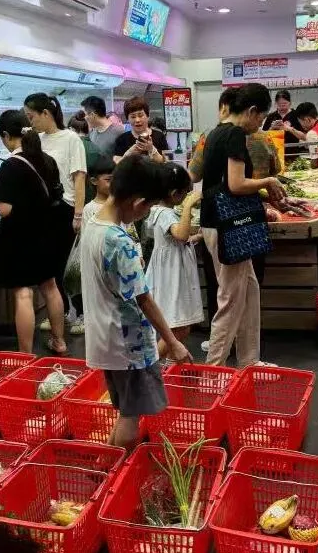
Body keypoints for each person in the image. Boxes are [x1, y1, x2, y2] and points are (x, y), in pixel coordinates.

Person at [80, 155, 192, 450]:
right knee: (132, 415)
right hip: (128, 343)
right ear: (138, 201)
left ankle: (107, 464)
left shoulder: (93, 224)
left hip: (105, 338)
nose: (146, 213)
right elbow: (143, 299)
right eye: (148, 207)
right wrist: (172, 341)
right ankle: (120, 467)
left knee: (125, 408)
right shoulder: (119, 242)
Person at [201, 82, 286, 367]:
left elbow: (223, 183)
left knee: (249, 291)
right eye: (261, 117)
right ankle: (214, 371)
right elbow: (236, 184)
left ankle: (249, 361)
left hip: (216, 222)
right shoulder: (235, 134)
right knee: (231, 300)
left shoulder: (216, 132)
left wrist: (264, 192)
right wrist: (268, 181)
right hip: (227, 227)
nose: (260, 124)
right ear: (251, 111)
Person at [0, 110, 67, 355]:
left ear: (6, 135)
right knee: (51, 288)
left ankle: (25, 354)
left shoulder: (11, 165)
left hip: (19, 239)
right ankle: (59, 341)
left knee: (23, 294)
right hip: (48, 233)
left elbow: (4, 209)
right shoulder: (48, 160)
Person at [23, 93, 87, 333]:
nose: (30, 121)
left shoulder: (71, 139)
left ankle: (82, 313)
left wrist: (78, 214)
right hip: (45, 210)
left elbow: (79, 177)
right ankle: (61, 312)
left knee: (70, 266)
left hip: (66, 208)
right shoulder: (37, 140)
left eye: (32, 116)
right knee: (52, 267)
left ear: (46, 113)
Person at [145, 163, 204, 360]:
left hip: (172, 271)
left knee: (178, 325)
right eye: (185, 194)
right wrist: (188, 206)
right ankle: (151, 365)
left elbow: (177, 240)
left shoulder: (160, 211)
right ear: (174, 194)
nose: (186, 197)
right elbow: (180, 234)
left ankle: (170, 364)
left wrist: (196, 237)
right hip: (172, 275)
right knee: (179, 328)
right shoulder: (164, 213)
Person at [113, 97, 168, 163]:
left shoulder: (159, 136)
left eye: (140, 115)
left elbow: (166, 162)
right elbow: (117, 164)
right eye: (133, 117)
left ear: (148, 116)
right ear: (127, 119)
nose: (137, 120)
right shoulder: (122, 139)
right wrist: (129, 153)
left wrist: (151, 149)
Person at [68, 110, 102, 204]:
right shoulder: (97, 149)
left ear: (71, 129)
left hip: (72, 199)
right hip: (92, 198)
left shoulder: (69, 148)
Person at [80, 95, 124, 160]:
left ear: (92, 115)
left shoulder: (118, 132)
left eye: (84, 114)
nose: (84, 118)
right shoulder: (92, 133)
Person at [262, 89, 300, 158]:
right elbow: (263, 136)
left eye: (284, 104)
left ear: (290, 103)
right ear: (275, 103)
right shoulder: (271, 116)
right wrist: (272, 128)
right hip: (275, 154)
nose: (282, 107)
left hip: (293, 153)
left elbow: (303, 135)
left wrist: (289, 129)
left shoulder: (296, 115)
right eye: (279, 104)